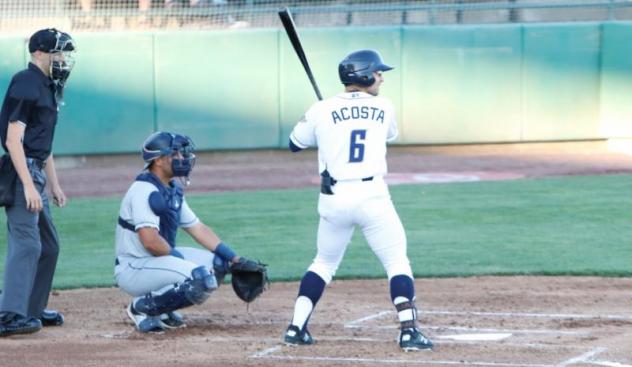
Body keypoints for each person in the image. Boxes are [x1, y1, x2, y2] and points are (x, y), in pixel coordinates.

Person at [283, 49, 434, 351]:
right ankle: (408, 332)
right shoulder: (384, 106)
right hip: (372, 196)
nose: (381, 77)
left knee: (323, 262)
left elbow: (294, 144)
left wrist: (321, 117)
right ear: (363, 75)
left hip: (334, 199)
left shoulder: (320, 109)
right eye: (378, 72)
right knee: (396, 261)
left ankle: (296, 328)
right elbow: (387, 134)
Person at [115, 131, 262, 333]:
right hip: (135, 266)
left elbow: (197, 228)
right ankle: (141, 308)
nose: (182, 158)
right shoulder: (144, 191)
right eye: (175, 154)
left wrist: (233, 258)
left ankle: (163, 309)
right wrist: (180, 261)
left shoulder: (171, 188)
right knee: (200, 278)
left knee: (218, 265)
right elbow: (149, 240)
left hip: (157, 261)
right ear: (158, 160)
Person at [0, 28, 76, 337]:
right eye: (58, 52)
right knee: (28, 242)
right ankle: (9, 314)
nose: (63, 58)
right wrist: (29, 185)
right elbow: (12, 139)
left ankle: (31, 308)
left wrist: (53, 184)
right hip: (22, 174)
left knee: (50, 245)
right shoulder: (26, 81)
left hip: (36, 173)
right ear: (39, 53)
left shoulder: (47, 86)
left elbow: (44, 145)